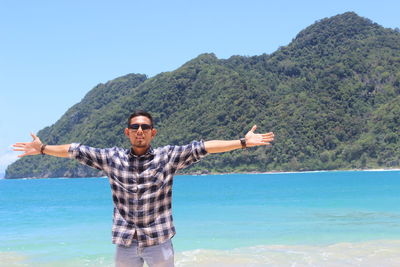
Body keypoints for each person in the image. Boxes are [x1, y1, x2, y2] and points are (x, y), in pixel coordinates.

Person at [13, 110, 275, 267]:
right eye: (135, 127)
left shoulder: (168, 156)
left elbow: (204, 147)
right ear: (127, 132)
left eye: (145, 127)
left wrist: (242, 142)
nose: (140, 130)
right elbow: (75, 150)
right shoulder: (112, 158)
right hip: (125, 242)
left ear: (153, 132)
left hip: (158, 240)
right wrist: (43, 149)